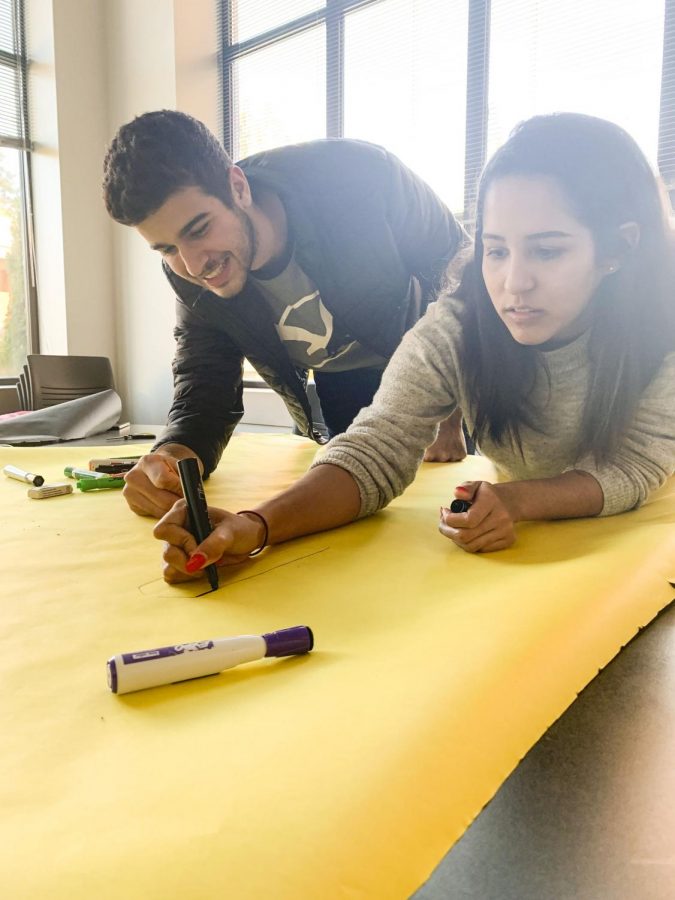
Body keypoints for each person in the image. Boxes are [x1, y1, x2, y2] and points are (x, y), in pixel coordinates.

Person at [153, 112, 675, 582]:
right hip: (541, 553)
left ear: (618, 248)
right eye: (495, 250)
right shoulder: (461, 321)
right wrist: (254, 525)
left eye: (547, 250)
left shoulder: (662, 323)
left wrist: (518, 500)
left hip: (649, 542)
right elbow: (377, 446)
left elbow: (634, 466)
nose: (514, 283)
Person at [102, 110, 471, 519]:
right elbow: (204, 386)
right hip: (340, 386)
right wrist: (170, 457)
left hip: (427, 371)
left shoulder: (358, 177)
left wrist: (448, 409)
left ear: (237, 187)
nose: (192, 265)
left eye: (199, 229)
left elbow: (461, 274)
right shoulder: (189, 275)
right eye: (167, 249)